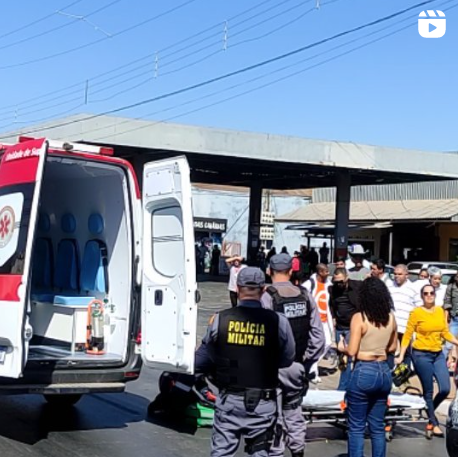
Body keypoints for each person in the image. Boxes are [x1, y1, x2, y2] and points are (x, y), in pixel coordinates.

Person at [195, 267, 296, 457]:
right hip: (263, 402)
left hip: (229, 399)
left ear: (238, 288)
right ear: (263, 289)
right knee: (260, 452)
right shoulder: (278, 321)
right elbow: (287, 359)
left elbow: (207, 355)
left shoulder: (220, 320)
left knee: (222, 453)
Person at [261, 253, 325, 457]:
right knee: (294, 411)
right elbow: (319, 337)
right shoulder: (305, 295)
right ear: (291, 271)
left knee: (273, 415)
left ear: (269, 271)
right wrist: (306, 360)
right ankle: (297, 451)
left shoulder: (267, 296)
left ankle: (276, 452)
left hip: (272, 368)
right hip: (296, 366)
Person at [338, 277, 397, 457]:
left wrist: (342, 347)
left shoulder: (360, 317)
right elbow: (393, 347)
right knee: (377, 426)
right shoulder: (390, 317)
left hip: (364, 369)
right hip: (384, 371)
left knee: (356, 426)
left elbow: (352, 350)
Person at [397, 283, 458, 437]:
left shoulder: (439, 311)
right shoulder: (416, 313)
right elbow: (407, 335)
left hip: (437, 354)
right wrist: (401, 354)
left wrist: (456, 342)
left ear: (435, 295)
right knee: (428, 390)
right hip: (421, 355)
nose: (429, 295)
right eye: (426, 293)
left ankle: (429, 412)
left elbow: (444, 332)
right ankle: (433, 422)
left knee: (445, 388)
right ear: (422, 296)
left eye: (431, 293)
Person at [329, 268, 362, 391]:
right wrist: (333, 318)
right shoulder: (333, 290)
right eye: (336, 282)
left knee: (349, 358)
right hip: (340, 327)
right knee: (342, 359)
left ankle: (343, 388)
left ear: (346, 278)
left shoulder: (356, 287)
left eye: (341, 281)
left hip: (352, 327)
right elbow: (332, 305)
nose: (339, 284)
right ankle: (346, 386)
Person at [303, 263, 333, 382]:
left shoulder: (329, 284)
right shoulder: (309, 283)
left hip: (325, 319)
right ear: (320, 272)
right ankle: (312, 372)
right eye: (326, 271)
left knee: (328, 343)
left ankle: (311, 365)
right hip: (314, 320)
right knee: (316, 345)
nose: (328, 273)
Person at [388, 264, 417, 368]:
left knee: (407, 352)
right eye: (395, 274)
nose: (396, 276)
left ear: (407, 275)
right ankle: (390, 371)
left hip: (406, 326)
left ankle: (404, 374)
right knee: (391, 349)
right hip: (392, 325)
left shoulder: (414, 288)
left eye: (400, 274)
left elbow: (417, 307)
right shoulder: (389, 286)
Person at [444, 272, 458, 368]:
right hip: (455, 319)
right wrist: (445, 321)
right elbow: (447, 304)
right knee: (448, 344)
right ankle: (438, 367)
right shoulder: (451, 287)